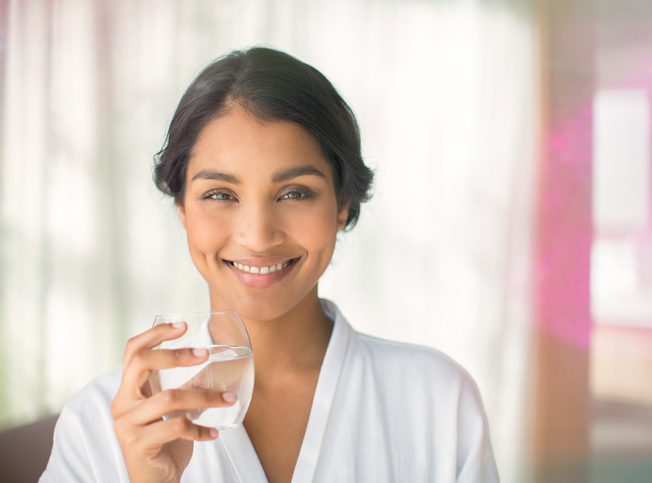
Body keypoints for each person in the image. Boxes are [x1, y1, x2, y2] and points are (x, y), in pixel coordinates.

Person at [40, 47, 498, 483]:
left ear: (341, 205)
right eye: (220, 194)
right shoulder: (101, 421)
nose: (258, 237)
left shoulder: (437, 401)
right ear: (183, 208)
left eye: (295, 193)